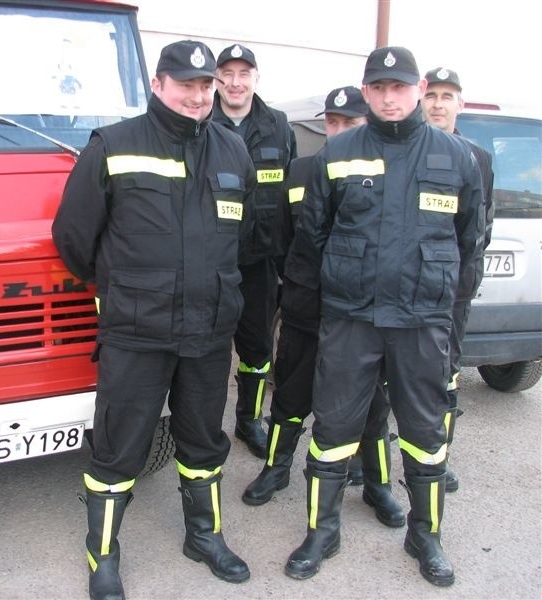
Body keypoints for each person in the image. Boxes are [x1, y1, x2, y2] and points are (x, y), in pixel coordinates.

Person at [52, 40, 257, 600]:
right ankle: (103, 558)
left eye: (205, 85)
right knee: (118, 449)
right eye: (185, 84)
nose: (197, 96)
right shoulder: (113, 145)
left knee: (202, 441)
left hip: (209, 332)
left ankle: (205, 537)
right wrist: (126, 289)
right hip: (137, 333)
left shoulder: (232, 150)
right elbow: (73, 238)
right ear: (159, 85)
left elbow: (242, 237)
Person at [283, 47, 484, 587]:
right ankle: (322, 531)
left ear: (417, 89)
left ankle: (426, 535)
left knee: (424, 432)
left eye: (399, 87)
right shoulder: (339, 151)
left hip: (421, 321)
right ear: (366, 92)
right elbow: (314, 233)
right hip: (352, 317)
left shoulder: (456, 156)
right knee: (334, 428)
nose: (389, 97)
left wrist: (441, 301)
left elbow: (471, 242)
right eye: (379, 88)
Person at [242, 86, 405, 531]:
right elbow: (279, 239)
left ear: (366, 123)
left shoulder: (386, 174)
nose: (338, 131)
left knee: (372, 408)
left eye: (349, 123)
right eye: (332, 122)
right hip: (307, 309)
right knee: (291, 397)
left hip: (359, 316)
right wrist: (294, 289)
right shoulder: (299, 171)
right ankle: (276, 470)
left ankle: (377, 485)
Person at [212, 44, 296, 459]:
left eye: (243, 74)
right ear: (216, 79)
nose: (234, 82)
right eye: (226, 74)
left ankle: (249, 419)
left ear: (255, 79)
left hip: (261, 262)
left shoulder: (279, 126)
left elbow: (290, 197)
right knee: (207, 347)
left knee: (258, 349)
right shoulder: (199, 120)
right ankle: (205, 425)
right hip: (212, 261)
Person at [422, 66, 495, 493]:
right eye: (432, 95)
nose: (438, 104)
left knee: (446, 373)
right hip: (414, 284)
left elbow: (479, 225)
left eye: (447, 97)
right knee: (388, 374)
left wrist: (462, 273)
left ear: (459, 105)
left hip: (453, 287)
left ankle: (440, 455)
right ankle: (367, 458)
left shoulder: (477, 157)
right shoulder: (409, 151)